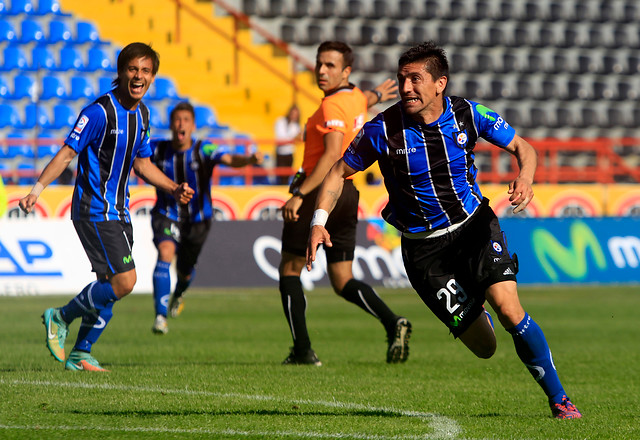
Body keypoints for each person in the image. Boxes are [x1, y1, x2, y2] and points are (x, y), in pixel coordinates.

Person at [306, 41, 582, 419]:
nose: (406, 88)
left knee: (509, 309)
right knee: (485, 347)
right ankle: (473, 300)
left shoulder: (468, 114)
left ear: (439, 84)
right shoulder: (383, 129)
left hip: (474, 228)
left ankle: (560, 400)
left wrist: (526, 176)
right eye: (402, 79)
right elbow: (338, 171)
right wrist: (318, 222)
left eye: (415, 79)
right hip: (424, 252)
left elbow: (522, 146)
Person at [19, 42, 194, 372]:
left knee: (109, 288)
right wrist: (37, 190)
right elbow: (67, 153)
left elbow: (142, 164)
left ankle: (80, 353)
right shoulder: (98, 112)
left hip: (119, 212)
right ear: (120, 72)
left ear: (153, 76)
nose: (138, 76)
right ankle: (60, 316)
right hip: (93, 210)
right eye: (132, 69)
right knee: (125, 281)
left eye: (145, 70)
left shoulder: (142, 115)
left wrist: (173, 187)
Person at [279, 40, 411, 366]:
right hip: (348, 194)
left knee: (290, 270)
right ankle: (393, 321)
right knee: (341, 279)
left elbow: (332, 155)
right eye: (319, 63)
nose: (321, 71)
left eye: (330, 66)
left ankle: (303, 350)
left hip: (321, 193)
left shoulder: (330, 107)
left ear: (346, 71)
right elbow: (359, 101)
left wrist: (300, 194)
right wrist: (377, 95)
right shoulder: (352, 96)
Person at [149, 101, 263, 334]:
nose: (181, 124)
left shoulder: (204, 149)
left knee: (185, 271)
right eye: (177, 119)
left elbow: (229, 159)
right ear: (171, 124)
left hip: (198, 221)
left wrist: (249, 160)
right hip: (167, 214)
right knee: (165, 253)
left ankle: (179, 293)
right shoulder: (157, 149)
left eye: (186, 120)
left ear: (193, 126)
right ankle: (160, 317)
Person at [274, 104, 301, 185]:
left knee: (287, 177)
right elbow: (281, 138)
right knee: (279, 176)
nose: (294, 116)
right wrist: (293, 138)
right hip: (280, 153)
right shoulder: (280, 121)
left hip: (289, 154)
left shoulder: (296, 126)